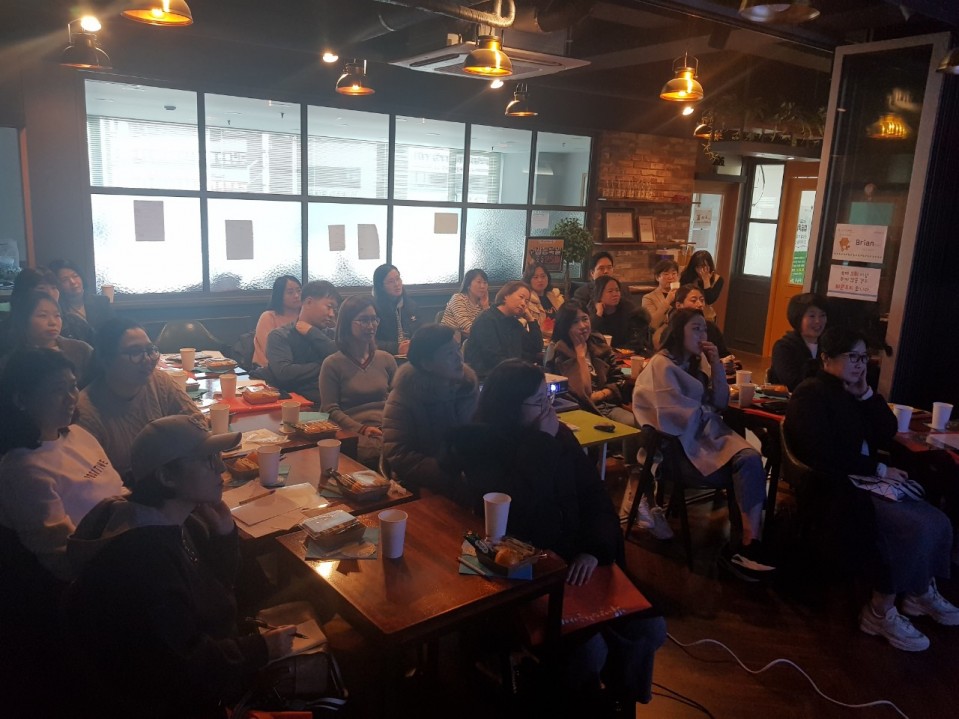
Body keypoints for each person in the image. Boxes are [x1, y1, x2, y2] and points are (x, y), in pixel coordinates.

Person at [445, 360, 666, 712]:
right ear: (508, 404)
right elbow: (518, 512)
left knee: (650, 629)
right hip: (529, 573)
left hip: (579, 561)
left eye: (547, 399)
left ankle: (622, 701)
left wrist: (593, 550)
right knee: (591, 651)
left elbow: (595, 498)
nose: (548, 409)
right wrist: (541, 443)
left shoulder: (557, 434)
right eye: (538, 401)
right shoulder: (481, 444)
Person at [65, 415, 298, 717]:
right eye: (206, 460)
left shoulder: (178, 519)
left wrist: (224, 535)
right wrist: (260, 650)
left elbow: (214, 593)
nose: (221, 468)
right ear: (167, 477)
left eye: (218, 456)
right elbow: (182, 663)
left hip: (197, 674)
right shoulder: (142, 558)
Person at [784, 328, 958, 652]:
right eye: (852, 356)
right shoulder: (811, 393)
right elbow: (821, 453)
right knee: (915, 525)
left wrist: (866, 393)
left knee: (938, 520)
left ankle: (919, 591)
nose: (860, 364)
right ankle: (879, 610)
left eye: (864, 358)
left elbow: (887, 431)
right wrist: (877, 469)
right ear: (826, 358)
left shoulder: (852, 392)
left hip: (865, 480)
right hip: (838, 489)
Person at [633, 309, 775, 580]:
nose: (702, 334)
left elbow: (720, 401)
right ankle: (743, 549)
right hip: (678, 454)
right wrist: (707, 411)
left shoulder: (697, 364)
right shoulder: (661, 365)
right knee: (745, 474)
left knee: (750, 459)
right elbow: (671, 418)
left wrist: (716, 364)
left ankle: (748, 544)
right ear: (679, 332)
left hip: (705, 440)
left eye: (704, 329)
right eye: (695, 328)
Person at [0, 348, 123, 581]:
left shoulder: (77, 434)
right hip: (95, 573)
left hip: (125, 538)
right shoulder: (23, 470)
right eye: (58, 390)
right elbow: (62, 558)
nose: (71, 398)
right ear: (21, 400)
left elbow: (118, 489)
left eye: (73, 386)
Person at [77, 317, 201, 476]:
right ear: (106, 360)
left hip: (169, 480)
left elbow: (197, 423)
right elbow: (92, 477)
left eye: (150, 350)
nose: (147, 359)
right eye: (135, 352)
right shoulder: (86, 412)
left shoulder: (159, 381)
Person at [382, 323, 478, 492]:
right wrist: (453, 474)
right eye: (449, 354)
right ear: (427, 364)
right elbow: (400, 456)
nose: (459, 358)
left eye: (457, 349)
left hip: (468, 477)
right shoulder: (402, 398)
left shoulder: (467, 388)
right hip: (423, 484)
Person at [319, 295, 397, 468]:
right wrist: (362, 429)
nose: (371, 326)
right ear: (347, 324)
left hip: (386, 425)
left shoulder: (386, 359)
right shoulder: (332, 364)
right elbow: (330, 409)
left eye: (374, 319)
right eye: (363, 320)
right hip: (353, 429)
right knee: (374, 452)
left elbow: (398, 399)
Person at [263, 280, 340, 404]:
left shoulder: (332, 335)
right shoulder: (280, 335)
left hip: (337, 402)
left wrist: (312, 333)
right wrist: (328, 365)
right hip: (299, 405)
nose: (332, 314)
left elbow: (346, 361)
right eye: (329, 307)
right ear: (308, 302)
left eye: (334, 310)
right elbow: (284, 373)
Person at [0, 289, 93, 387]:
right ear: (23, 320)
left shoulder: (81, 350)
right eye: (43, 315)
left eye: (57, 315)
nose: (53, 322)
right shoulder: (10, 362)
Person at [464, 280, 543, 379]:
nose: (524, 304)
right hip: (487, 377)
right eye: (521, 297)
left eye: (526, 301)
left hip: (509, 374)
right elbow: (494, 358)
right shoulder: (486, 320)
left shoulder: (514, 323)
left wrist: (531, 320)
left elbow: (535, 348)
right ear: (506, 296)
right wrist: (521, 371)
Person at [770, 293, 828, 391]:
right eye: (812, 316)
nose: (818, 321)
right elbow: (793, 383)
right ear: (798, 318)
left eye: (822, 315)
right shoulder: (783, 347)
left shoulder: (827, 346)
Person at [48, 259, 114, 345]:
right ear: (58, 285)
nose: (73, 282)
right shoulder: (58, 309)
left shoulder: (101, 302)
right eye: (65, 280)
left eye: (75, 276)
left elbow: (113, 331)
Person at [654, 284, 730, 357]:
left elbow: (724, 354)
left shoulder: (710, 326)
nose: (700, 304)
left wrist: (721, 361)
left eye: (702, 300)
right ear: (679, 305)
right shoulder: (671, 330)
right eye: (693, 300)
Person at [588, 275, 653, 355]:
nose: (615, 294)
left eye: (617, 290)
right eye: (610, 291)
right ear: (599, 294)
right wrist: (598, 314)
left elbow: (636, 344)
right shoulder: (591, 309)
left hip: (628, 355)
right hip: (601, 355)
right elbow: (590, 337)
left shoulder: (630, 310)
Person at [253, 274, 301, 367]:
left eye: (299, 291)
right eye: (290, 292)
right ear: (279, 296)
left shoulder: (305, 316)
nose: (296, 295)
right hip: (269, 368)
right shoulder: (268, 317)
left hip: (299, 366)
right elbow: (270, 351)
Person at [372, 263, 421, 355]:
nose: (397, 284)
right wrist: (397, 348)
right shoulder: (374, 309)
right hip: (387, 355)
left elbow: (420, 332)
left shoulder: (411, 305)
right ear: (381, 286)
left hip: (412, 353)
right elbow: (371, 341)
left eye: (398, 279)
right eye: (391, 281)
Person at [441, 268, 489, 337]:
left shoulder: (482, 303)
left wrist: (485, 306)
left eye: (485, 283)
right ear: (468, 285)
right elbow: (466, 326)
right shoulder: (458, 298)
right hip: (448, 338)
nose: (483, 286)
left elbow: (490, 325)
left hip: (471, 339)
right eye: (479, 282)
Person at [679, 250, 724, 323]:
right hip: (687, 315)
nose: (701, 270)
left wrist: (706, 281)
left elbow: (709, 301)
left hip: (706, 317)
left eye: (704, 267)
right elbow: (681, 296)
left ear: (710, 266)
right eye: (698, 267)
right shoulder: (687, 276)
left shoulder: (718, 279)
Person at [641, 259, 680, 334]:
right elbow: (652, 325)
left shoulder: (684, 294)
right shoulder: (648, 298)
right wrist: (667, 301)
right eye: (666, 274)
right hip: (661, 336)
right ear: (657, 277)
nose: (671, 277)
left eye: (674, 273)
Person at [523, 261, 564, 329]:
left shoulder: (556, 296)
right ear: (528, 280)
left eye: (543, 276)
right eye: (535, 277)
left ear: (548, 278)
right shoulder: (525, 301)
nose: (540, 280)